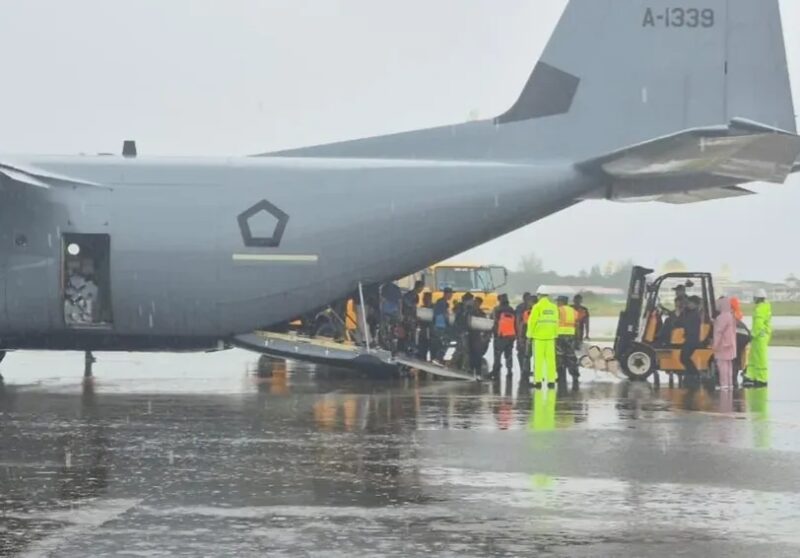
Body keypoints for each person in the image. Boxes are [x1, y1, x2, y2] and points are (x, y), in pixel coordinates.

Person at [527, 286, 559, 389]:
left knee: (539, 360)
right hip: (551, 337)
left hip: (539, 337)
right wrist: (555, 334)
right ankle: (551, 381)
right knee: (551, 360)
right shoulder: (553, 307)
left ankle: (538, 381)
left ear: (539, 295)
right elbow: (556, 322)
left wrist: (529, 335)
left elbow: (532, 322)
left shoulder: (537, 307)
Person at [743, 289, 772, 388]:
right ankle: (753, 376)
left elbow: (758, 324)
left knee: (759, 358)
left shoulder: (759, 309)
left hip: (759, 336)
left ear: (757, 298)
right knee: (755, 356)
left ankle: (761, 378)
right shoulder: (765, 307)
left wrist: (753, 334)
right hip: (761, 336)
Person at [713, 297, 737, 390]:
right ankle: (729, 384)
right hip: (731, 344)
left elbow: (718, 332)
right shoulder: (731, 316)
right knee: (729, 365)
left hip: (723, 345)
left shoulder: (721, 317)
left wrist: (715, 345)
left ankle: (723, 384)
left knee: (721, 365)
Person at [491, 294, 517, 379]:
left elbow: (494, 322)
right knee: (509, 355)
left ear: (499, 300)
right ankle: (509, 371)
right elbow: (515, 323)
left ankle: (496, 371)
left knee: (497, 354)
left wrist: (493, 333)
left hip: (500, 336)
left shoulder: (497, 309)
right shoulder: (512, 310)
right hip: (511, 336)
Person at [677, 295, 702, 381]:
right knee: (684, 358)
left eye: (690, 303)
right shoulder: (691, 313)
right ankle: (691, 374)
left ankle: (694, 374)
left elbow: (683, 323)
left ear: (695, 304)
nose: (688, 305)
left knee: (684, 357)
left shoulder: (694, 315)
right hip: (691, 338)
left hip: (692, 339)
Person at [556, 296, 579, 384]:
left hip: (560, 335)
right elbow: (577, 325)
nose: (557, 303)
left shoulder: (558, 310)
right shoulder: (573, 311)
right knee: (571, 356)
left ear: (561, 302)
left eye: (558, 301)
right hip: (571, 335)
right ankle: (575, 375)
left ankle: (561, 376)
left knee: (559, 356)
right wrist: (577, 337)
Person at [469, 297, 490, 377]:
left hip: (478, 337)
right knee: (471, 355)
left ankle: (478, 373)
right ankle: (471, 372)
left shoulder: (482, 314)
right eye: (475, 302)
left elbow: (485, 326)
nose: (475, 304)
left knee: (477, 355)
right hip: (471, 336)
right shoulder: (470, 312)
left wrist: (485, 337)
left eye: (477, 303)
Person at [431, 288, 453, 364]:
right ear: (446, 294)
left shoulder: (442, 302)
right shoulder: (442, 303)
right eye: (450, 294)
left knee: (440, 343)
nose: (451, 296)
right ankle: (438, 358)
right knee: (445, 342)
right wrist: (449, 324)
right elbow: (444, 315)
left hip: (439, 325)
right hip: (440, 326)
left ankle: (436, 358)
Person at [402, 280, 425, 355]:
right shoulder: (409, 295)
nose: (421, 290)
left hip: (412, 318)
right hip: (407, 318)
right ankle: (407, 348)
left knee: (412, 334)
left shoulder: (416, 296)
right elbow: (408, 305)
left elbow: (414, 308)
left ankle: (411, 347)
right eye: (421, 287)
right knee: (407, 333)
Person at [515, 293, 534, 377]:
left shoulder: (521, 307)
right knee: (525, 353)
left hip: (525, 334)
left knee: (525, 353)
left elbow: (518, 321)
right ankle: (525, 370)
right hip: (525, 333)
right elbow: (519, 322)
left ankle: (525, 370)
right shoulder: (523, 308)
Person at [417, 292, 433, 361]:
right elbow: (419, 321)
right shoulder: (421, 308)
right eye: (424, 299)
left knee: (433, 351)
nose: (425, 300)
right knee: (422, 352)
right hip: (423, 333)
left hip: (432, 333)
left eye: (427, 299)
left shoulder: (434, 308)